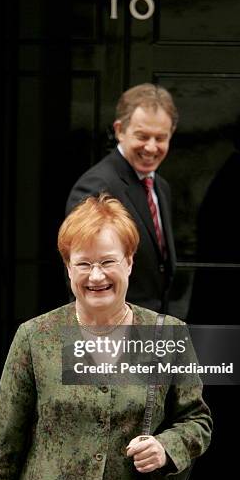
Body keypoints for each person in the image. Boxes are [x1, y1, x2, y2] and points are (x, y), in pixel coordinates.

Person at [0, 194, 212, 480]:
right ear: (68, 268)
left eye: (108, 261)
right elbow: (1, 449)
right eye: (83, 264)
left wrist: (166, 447)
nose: (96, 276)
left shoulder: (167, 335)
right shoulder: (36, 337)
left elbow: (197, 420)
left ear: (129, 262)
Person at [66, 84, 178, 313]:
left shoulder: (161, 187)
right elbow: (82, 275)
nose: (151, 147)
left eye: (160, 138)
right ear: (119, 130)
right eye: (142, 136)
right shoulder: (97, 187)